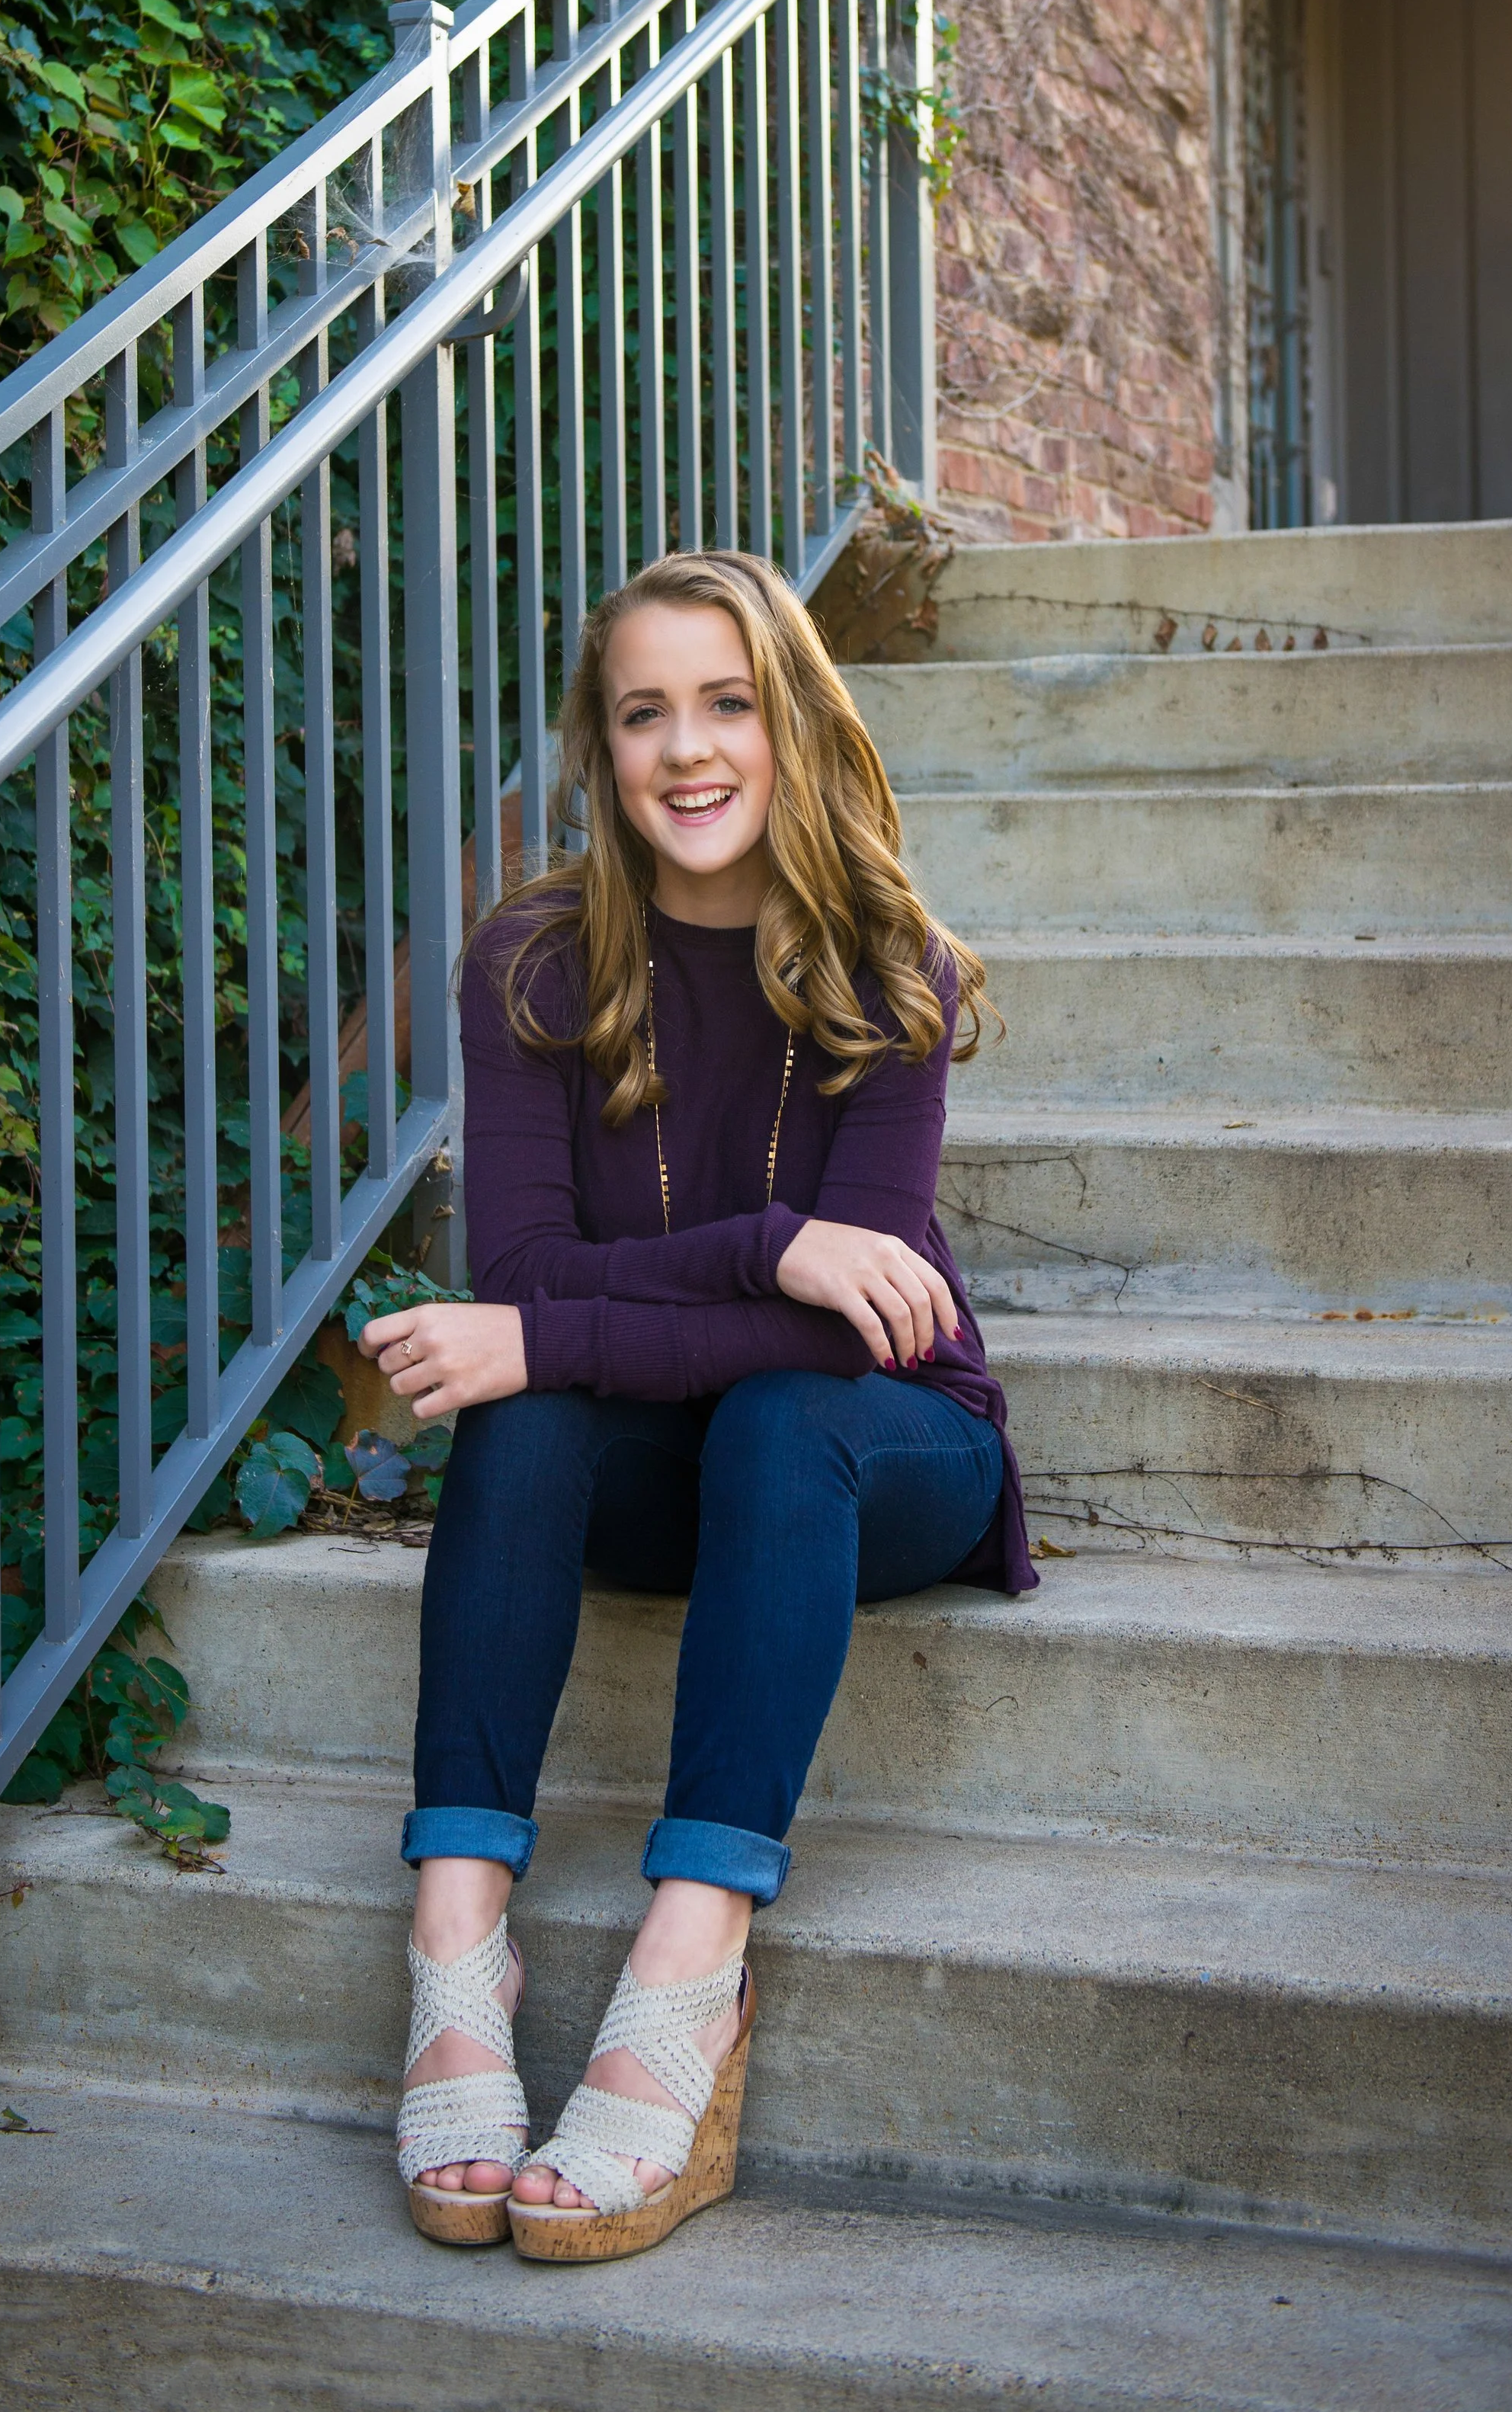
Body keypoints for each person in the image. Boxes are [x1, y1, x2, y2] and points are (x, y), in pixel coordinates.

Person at [357, 548, 1036, 2265]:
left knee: (766, 1417)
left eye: (726, 703)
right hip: (679, 1453)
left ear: (791, 721)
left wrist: (598, 1319)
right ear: (600, 748)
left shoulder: (891, 972)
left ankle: (691, 1958)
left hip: (878, 1452)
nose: (688, 749)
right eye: (644, 712)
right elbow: (521, 1283)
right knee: (527, 1410)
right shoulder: (530, 961)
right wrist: (774, 1249)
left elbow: (852, 1338)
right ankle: (457, 1947)